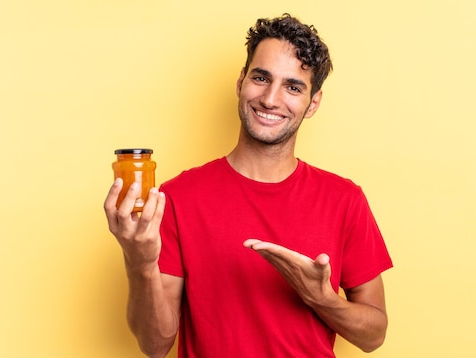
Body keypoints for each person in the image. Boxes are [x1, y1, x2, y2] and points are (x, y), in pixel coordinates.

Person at [104, 13, 393, 358]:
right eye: (261, 77)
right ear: (241, 81)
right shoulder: (176, 198)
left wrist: (322, 299)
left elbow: (373, 335)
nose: (271, 99)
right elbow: (155, 346)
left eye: (293, 87)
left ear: (312, 103)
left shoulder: (345, 200)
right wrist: (139, 262)